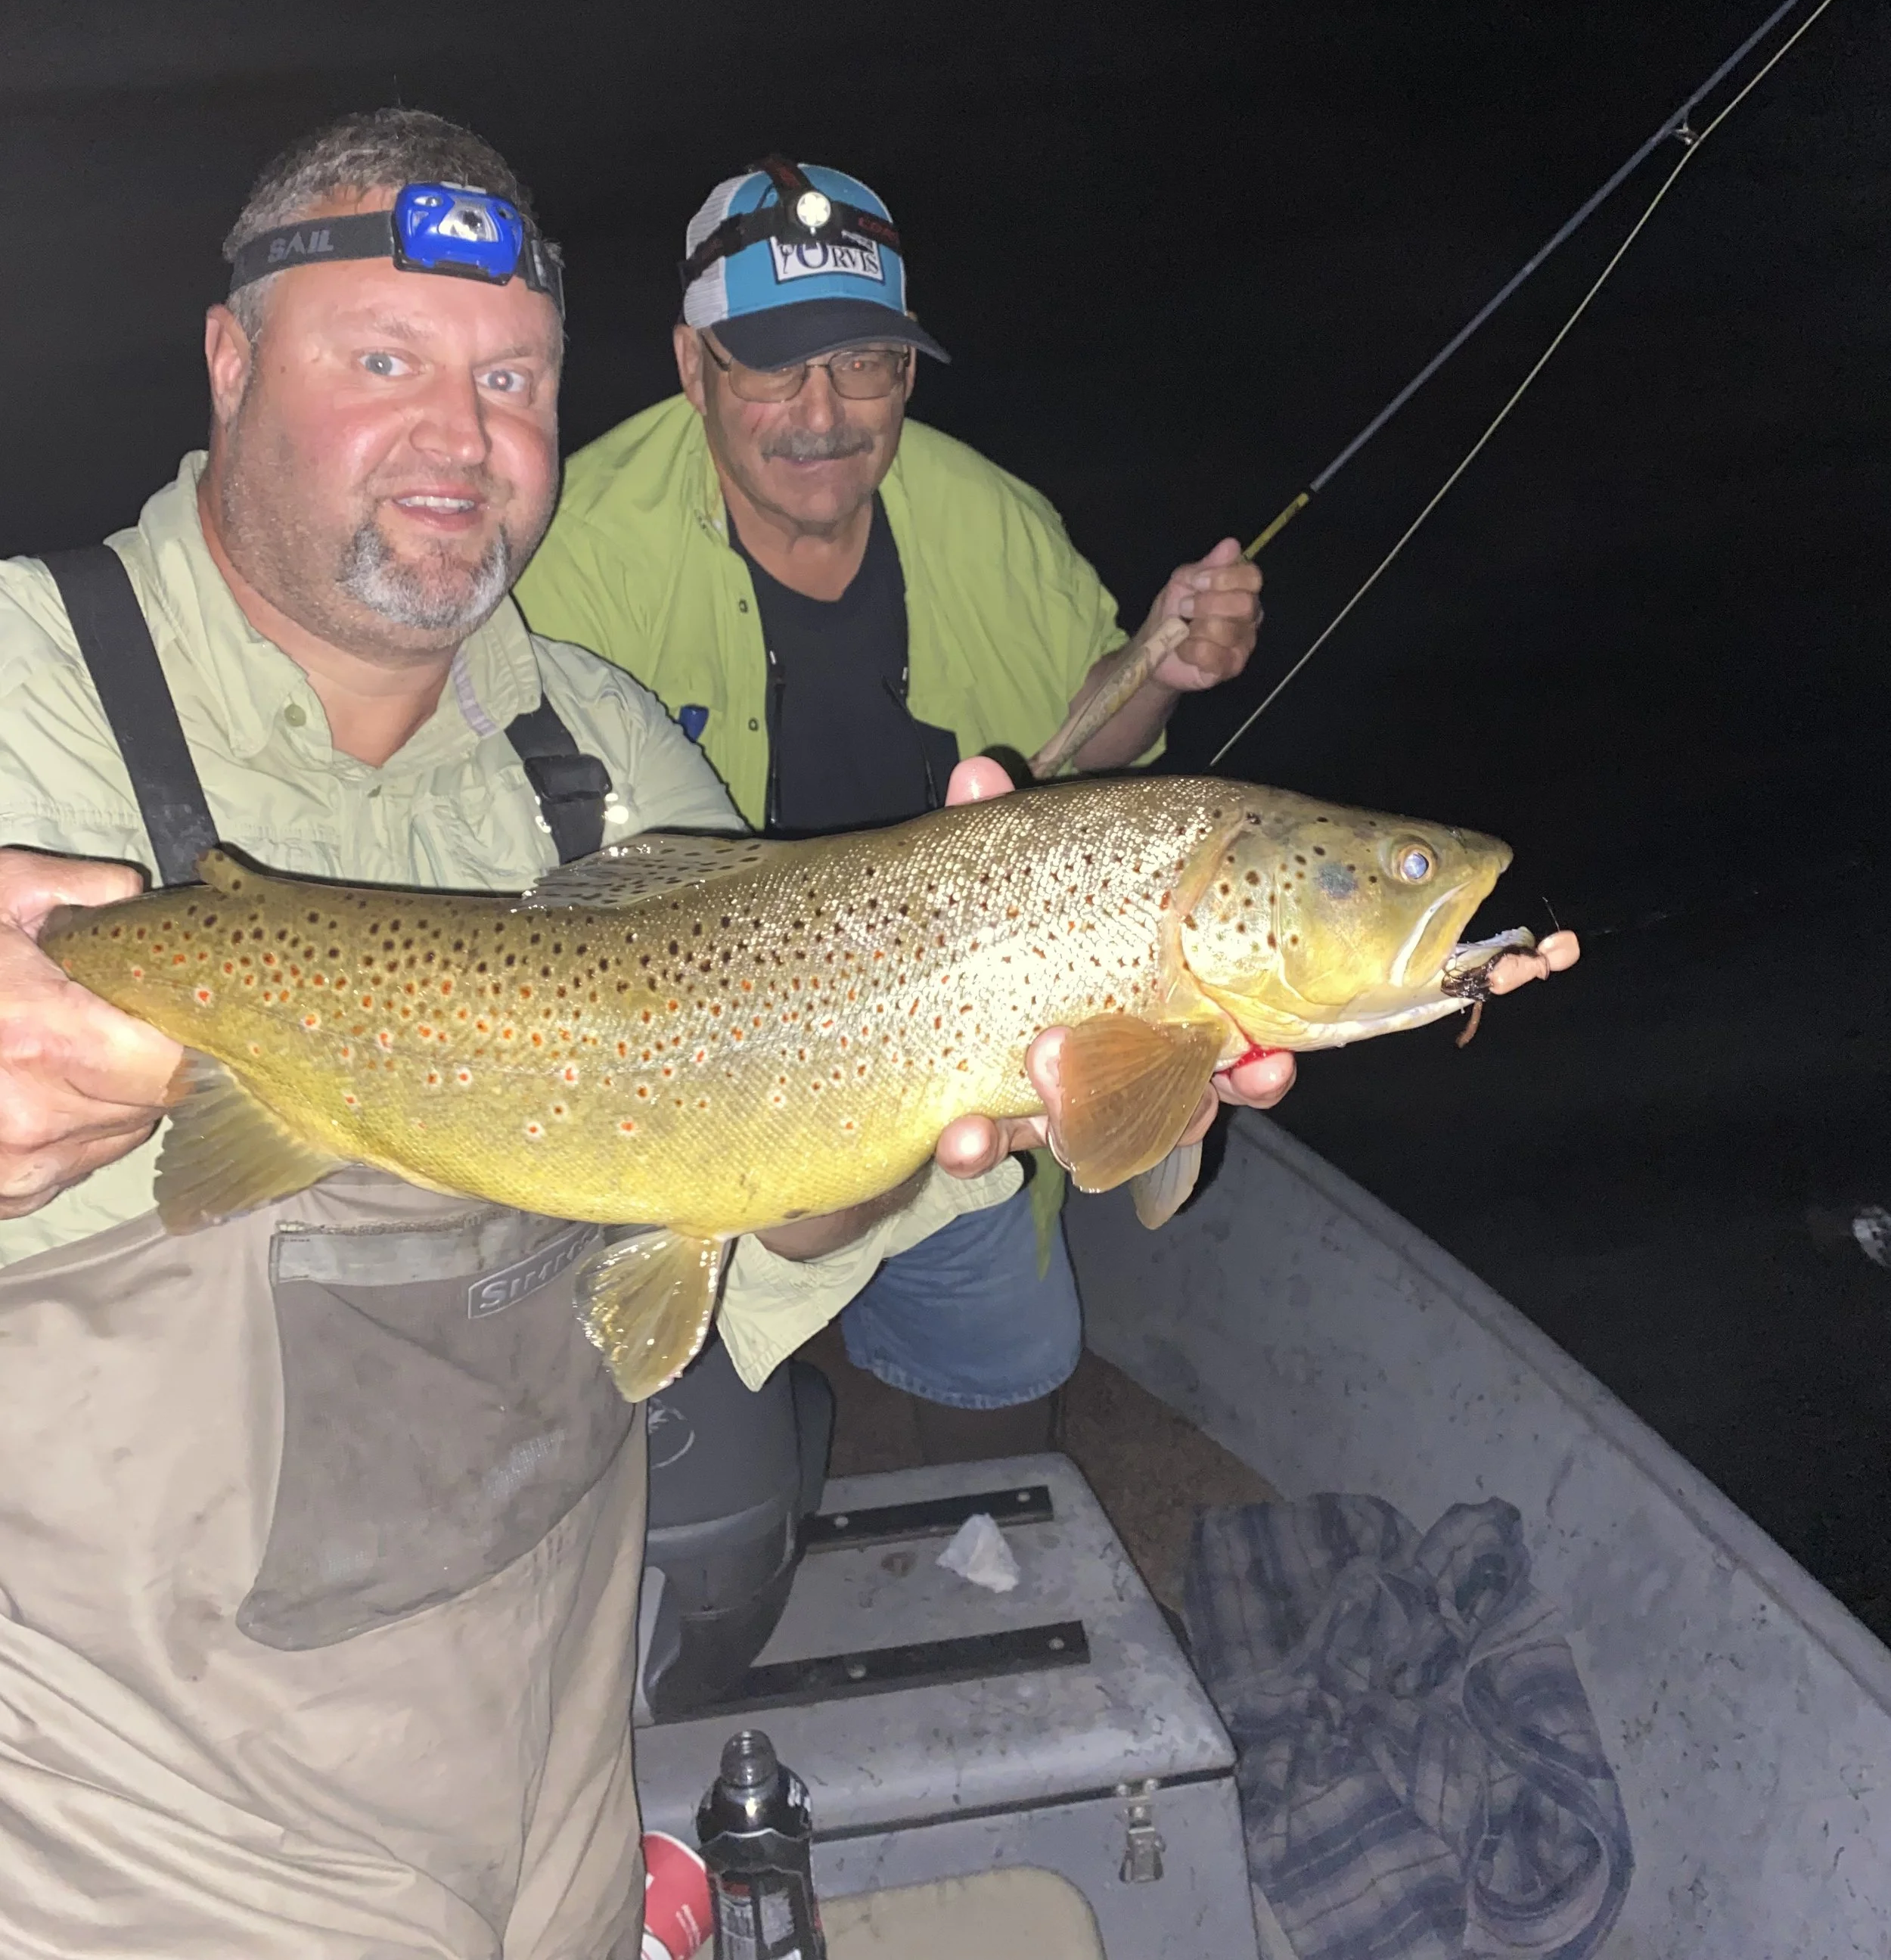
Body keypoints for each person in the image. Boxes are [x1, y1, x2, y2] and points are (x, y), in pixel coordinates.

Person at [0, 110, 1265, 1960]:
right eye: (384, 360)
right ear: (228, 358)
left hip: (562, 1795)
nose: (461, 435)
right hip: (119, 1832)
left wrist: (914, 1103)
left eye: (509, 378)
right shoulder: (28, 687)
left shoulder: (599, 762)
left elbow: (764, 1229)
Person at [514, 155, 1272, 1456]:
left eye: (863, 364)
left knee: (1014, 1372)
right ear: (693, 367)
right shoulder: (572, 554)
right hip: (667, 1073)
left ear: (907, 374)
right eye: (771, 366)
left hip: (934, 1070)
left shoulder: (990, 523)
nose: (823, 414)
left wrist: (1163, 666)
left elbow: (1090, 753)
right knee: (646, 1426)